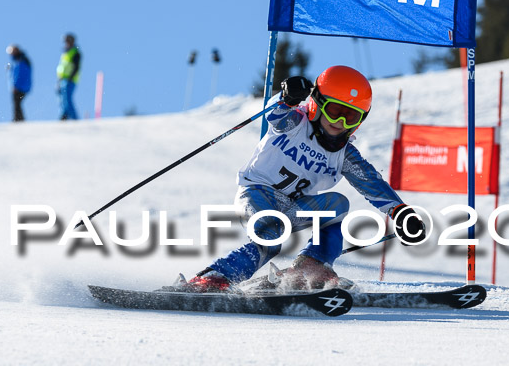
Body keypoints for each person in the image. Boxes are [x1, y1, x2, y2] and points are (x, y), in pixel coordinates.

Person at [178, 65, 426, 292]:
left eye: (350, 117)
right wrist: (288, 97)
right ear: (317, 104)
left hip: (293, 206)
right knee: (271, 235)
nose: (340, 123)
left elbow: (371, 183)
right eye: (335, 111)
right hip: (257, 193)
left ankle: (312, 266)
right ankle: (215, 277)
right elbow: (275, 114)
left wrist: (401, 213)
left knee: (338, 205)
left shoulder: (345, 155)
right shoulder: (296, 122)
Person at [56, 33, 81, 120]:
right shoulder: (65, 52)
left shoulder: (75, 52)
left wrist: (70, 76)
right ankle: (63, 118)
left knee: (67, 100)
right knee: (62, 101)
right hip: (62, 79)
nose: (66, 43)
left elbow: (76, 66)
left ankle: (75, 119)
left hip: (69, 80)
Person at [6, 45, 32, 122]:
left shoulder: (21, 60)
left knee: (16, 102)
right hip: (20, 86)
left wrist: (16, 86)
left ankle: (18, 119)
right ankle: (18, 118)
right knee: (16, 102)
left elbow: (20, 74)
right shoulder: (16, 61)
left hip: (21, 87)